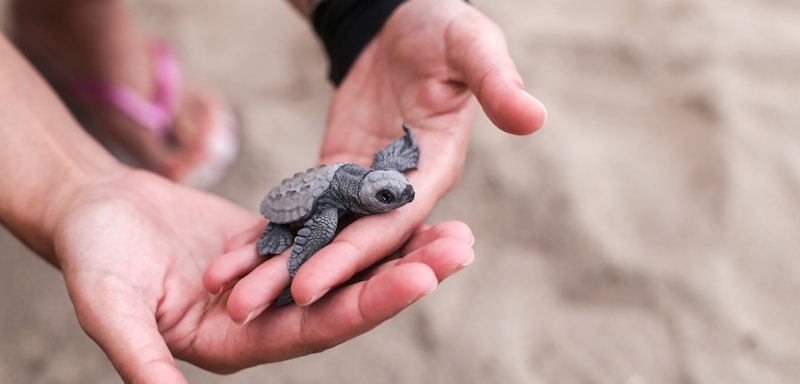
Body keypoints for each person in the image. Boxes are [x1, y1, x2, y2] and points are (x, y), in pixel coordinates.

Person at [0, 0, 546, 383]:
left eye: (393, 191)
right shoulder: (332, 210)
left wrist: (367, 11)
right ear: (362, 198)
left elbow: (393, 169)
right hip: (290, 206)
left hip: (324, 185)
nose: (397, 197)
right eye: (387, 198)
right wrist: (66, 187)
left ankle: (64, 30)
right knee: (283, 248)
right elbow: (312, 236)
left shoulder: (382, 173)